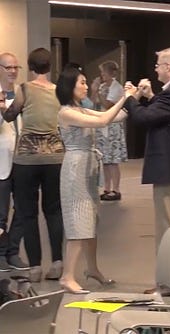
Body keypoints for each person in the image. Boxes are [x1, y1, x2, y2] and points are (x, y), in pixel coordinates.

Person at [123, 47, 170, 295]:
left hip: (169, 172)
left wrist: (130, 98)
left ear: (168, 67)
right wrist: (151, 96)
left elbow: (144, 119)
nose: (155, 69)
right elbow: (164, 114)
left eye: (158, 65)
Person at [56, 66, 126, 294]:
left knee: (90, 222)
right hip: (76, 168)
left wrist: (134, 99)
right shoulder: (66, 112)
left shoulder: (81, 109)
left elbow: (118, 116)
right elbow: (104, 120)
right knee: (79, 222)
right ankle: (67, 276)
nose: (86, 86)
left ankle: (93, 268)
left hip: (88, 168)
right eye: (82, 83)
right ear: (70, 86)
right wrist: (125, 98)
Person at [0, 48, 64, 282]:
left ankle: (35, 267)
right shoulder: (59, 92)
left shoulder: (24, 90)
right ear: (50, 66)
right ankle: (57, 262)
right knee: (54, 211)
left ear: (30, 66)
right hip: (55, 158)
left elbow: (9, 116)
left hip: (26, 159)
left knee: (28, 213)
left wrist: (3, 106)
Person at [0, 52, 28, 271]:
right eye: (8, 67)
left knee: (23, 209)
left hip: (23, 161)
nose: (12, 71)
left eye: (15, 67)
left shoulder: (23, 93)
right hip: (1, 163)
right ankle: (0, 254)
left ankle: (13, 251)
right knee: (0, 214)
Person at [90, 60, 127, 201]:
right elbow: (93, 102)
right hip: (102, 125)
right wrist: (95, 91)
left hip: (113, 126)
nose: (102, 75)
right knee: (105, 159)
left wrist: (98, 93)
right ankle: (106, 187)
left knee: (113, 160)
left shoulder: (117, 88)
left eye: (103, 73)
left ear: (111, 73)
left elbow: (108, 104)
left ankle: (116, 189)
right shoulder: (103, 86)